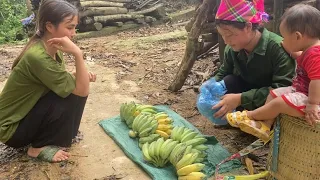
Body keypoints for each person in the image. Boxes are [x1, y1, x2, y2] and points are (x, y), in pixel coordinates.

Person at [0, 0, 96, 162]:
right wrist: (78, 54)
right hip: (11, 130)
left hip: (21, 118)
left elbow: (57, 79)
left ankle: (57, 136)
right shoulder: (38, 56)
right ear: (50, 27)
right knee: (73, 94)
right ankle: (37, 148)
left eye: (75, 27)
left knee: (70, 88)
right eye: (69, 27)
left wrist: (76, 74)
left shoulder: (52, 48)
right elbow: (81, 91)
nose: (74, 33)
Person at [226, 4, 320, 142]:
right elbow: (302, 58)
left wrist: (312, 103)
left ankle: (250, 115)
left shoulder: (315, 54)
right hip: (302, 90)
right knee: (273, 94)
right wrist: (292, 52)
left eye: (285, 37)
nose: (282, 40)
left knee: (279, 103)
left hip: (313, 98)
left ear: (297, 36)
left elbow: (317, 80)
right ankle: (265, 125)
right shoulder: (310, 50)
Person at [206, 0, 296, 125]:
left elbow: (283, 89)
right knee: (228, 81)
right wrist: (210, 85)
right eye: (222, 36)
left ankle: (264, 124)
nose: (226, 41)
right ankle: (239, 120)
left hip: (272, 103)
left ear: (248, 27)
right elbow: (223, 72)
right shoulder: (232, 49)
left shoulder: (277, 48)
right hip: (249, 95)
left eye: (230, 35)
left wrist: (241, 98)